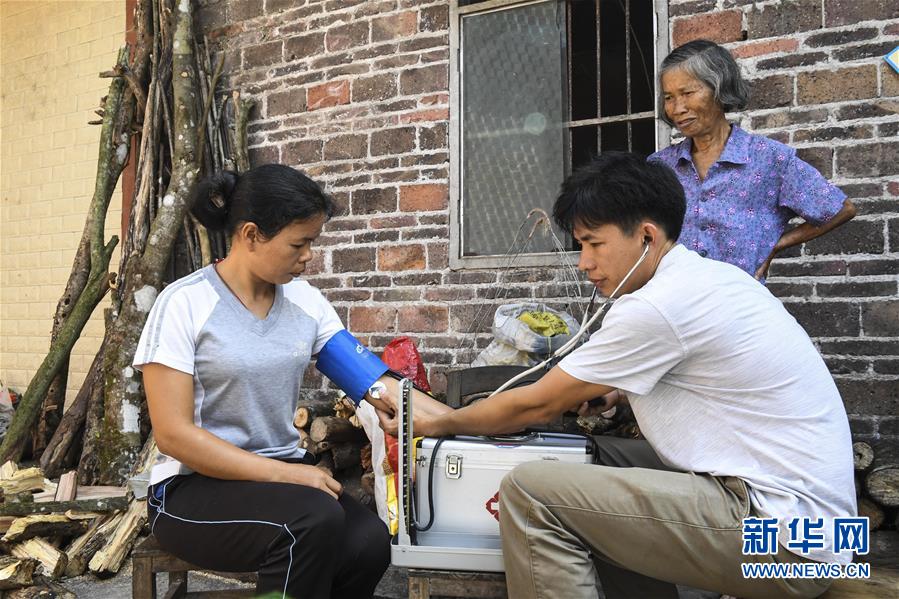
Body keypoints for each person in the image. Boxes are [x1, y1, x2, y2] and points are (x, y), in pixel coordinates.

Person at [378, 153, 856, 599]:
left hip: (786, 543)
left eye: (594, 244)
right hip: (807, 526)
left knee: (532, 494)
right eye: (579, 245)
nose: (584, 262)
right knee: (594, 454)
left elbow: (537, 403)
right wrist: (617, 393)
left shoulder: (656, 306)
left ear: (646, 235)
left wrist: (443, 420)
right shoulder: (707, 278)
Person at [134, 165, 396, 599]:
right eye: (300, 242)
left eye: (312, 242)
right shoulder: (184, 303)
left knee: (370, 542)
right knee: (311, 522)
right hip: (191, 489)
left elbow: (370, 379)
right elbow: (173, 435)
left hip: (279, 479)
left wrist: (444, 417)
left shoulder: (306, 302)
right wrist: (289, 476)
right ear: (252, 234)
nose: (309, 255)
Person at [649, 39, 856, 281]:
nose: (677, 108)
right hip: (673, 304)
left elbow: (840, 209)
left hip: (738, 306)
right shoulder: (659, 167)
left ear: (719, 89)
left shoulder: (768, 158)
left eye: (687, 93)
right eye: (669, 97)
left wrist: (774, 246)